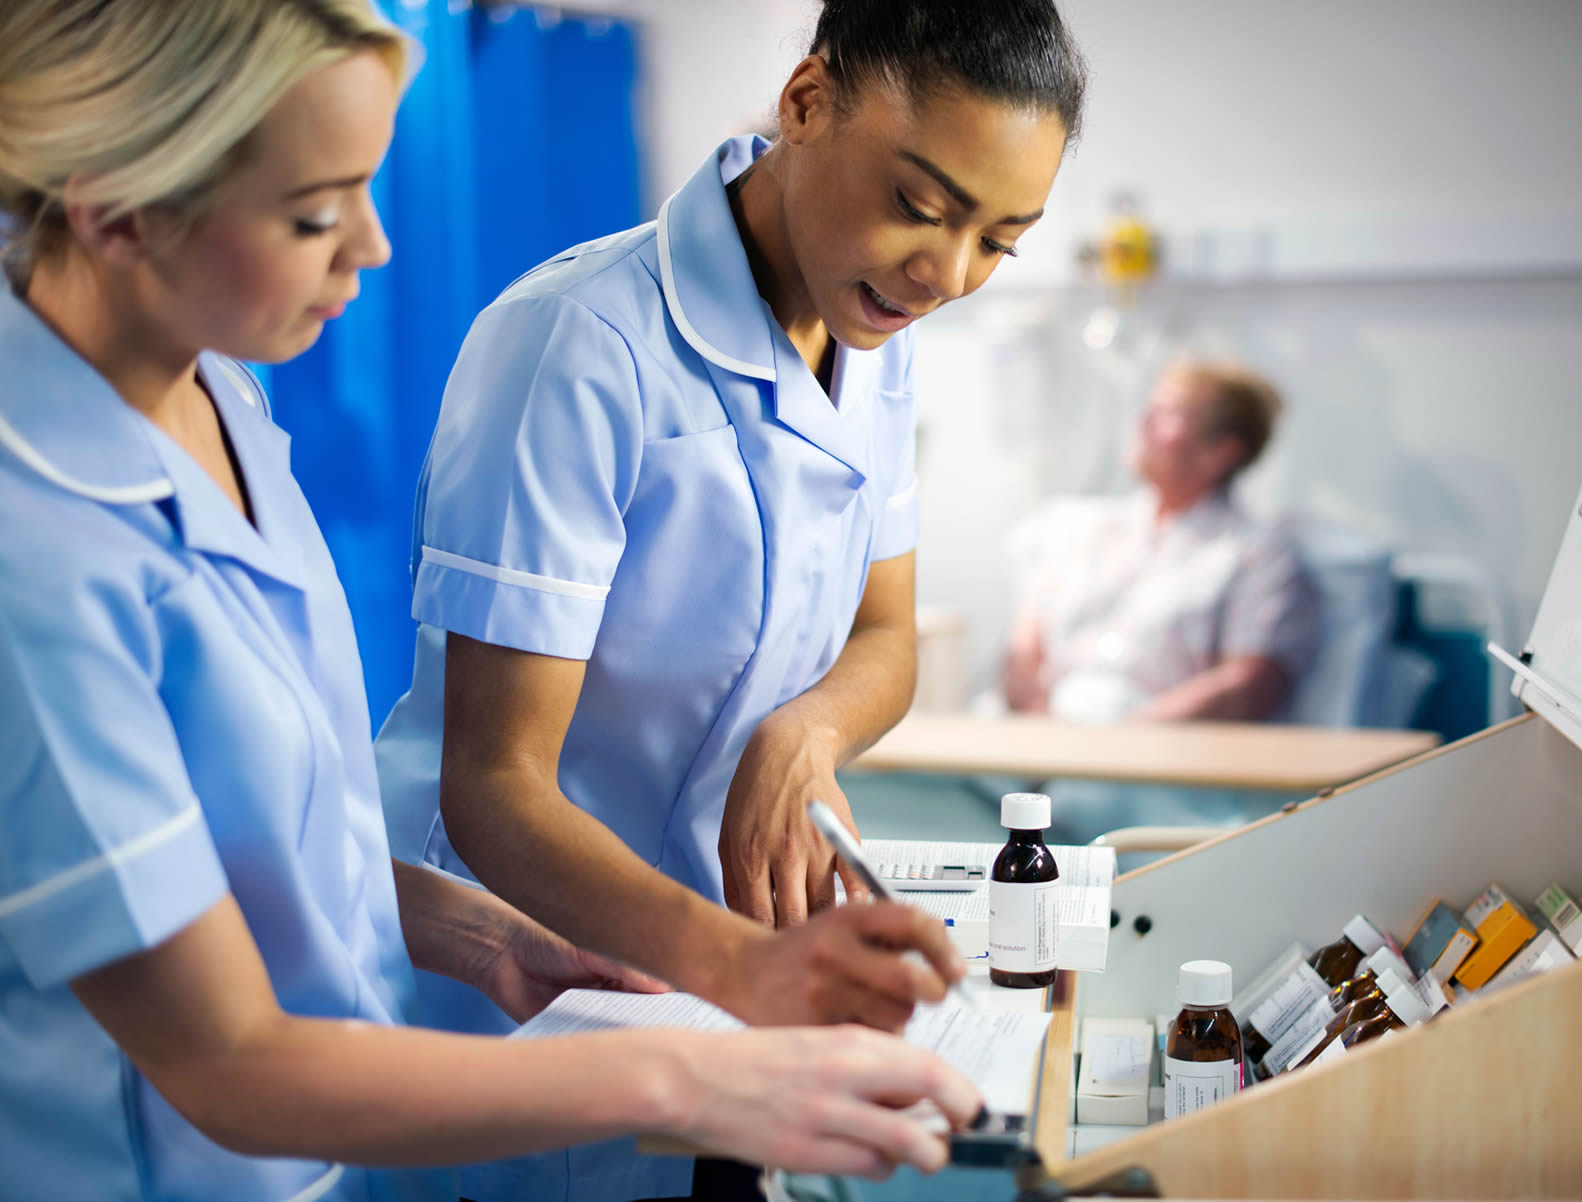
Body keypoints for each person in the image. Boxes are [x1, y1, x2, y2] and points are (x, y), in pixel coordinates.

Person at [0, 4, 978, 1200]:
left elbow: (254, 838)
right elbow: (225, 1059)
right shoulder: (32, 556)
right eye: (314, 212)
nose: (373, 247)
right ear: (116, 209)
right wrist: (692, 1073)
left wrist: (467, 926)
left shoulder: (218, 394)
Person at [372, 1, 1086, 1197]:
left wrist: (802, 733)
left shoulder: (877, 337)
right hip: (526, 981)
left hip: (714, 987)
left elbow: (886, 637)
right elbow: (495, 787)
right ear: (805, 103)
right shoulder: (579, 342)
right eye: (921, 204)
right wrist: (744, 969)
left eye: (998, 240)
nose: (946, 273)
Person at [1004, 358, 1320, 725]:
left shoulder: (1255, 555)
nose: (1142, 422)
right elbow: (1023, 651)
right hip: (1040, 739)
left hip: (1153, 755)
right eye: (1150, 408)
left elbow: (1248, 686)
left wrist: (1120, 741)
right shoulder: (1081, 531)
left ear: (1221, 452)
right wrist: (1043, 731)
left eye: (1169, 414)